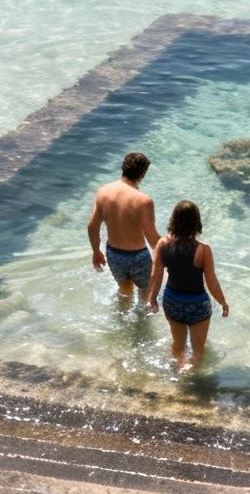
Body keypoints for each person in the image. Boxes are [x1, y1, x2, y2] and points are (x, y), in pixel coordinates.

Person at [146, 200, 229, 371]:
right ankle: (190, 378)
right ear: (196, 222)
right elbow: (211, 282)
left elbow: (155, 274)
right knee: (198, 349)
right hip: (197, 304)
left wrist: (152, 298)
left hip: (172, 302)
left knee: (178, 343)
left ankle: (177, 370)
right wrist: (223, 302)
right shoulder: (203, 250)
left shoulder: (162, 244)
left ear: (174, 220)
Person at [88, 152, 161, 300]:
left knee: (125, 292)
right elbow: (152, 238)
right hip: (138, 257)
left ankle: (121, 318)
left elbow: (92, 227)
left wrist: (96, 251)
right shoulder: (143, 200)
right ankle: (140, 322)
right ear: (143, 173)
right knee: (145, 295)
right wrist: (169, 255)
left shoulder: (103, 192)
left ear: (123, 167)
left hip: (114, 254)